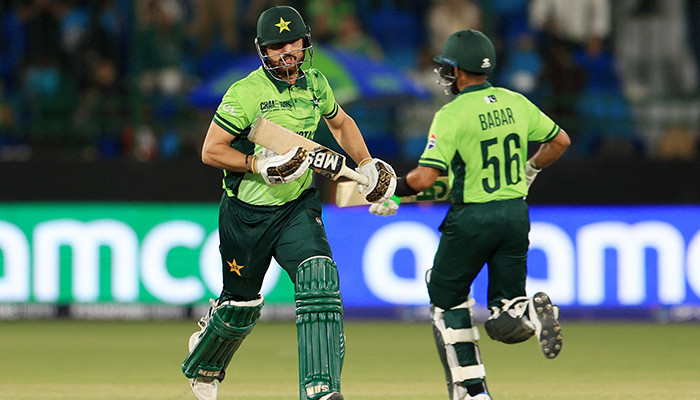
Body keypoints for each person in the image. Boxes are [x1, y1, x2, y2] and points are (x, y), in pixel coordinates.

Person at [181, 5, 396, 400]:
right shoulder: (246, 92)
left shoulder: (315, 84)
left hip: (297, 206)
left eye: (293, 43)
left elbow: (341, 123)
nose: (287, 52)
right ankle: (205, 360)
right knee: (241, 308)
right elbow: (211, 150)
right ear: (263, 50)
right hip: (247, 214)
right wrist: (257, 164)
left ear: (305, 43)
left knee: (320, 279)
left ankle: (321, 389)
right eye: (277, 47)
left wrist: (365, 163)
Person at [372, 30, 570, 400]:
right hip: (515, 215)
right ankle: (527, 312)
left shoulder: (451, 114)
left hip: (473, 219)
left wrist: (392, 189)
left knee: (445, 297)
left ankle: (472, 391)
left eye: (448, 67)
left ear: (459, 71)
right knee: (503, 317)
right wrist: (529, 170)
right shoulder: (515, 101)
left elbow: (424, 178)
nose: (445, 74)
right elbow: (560, 141)